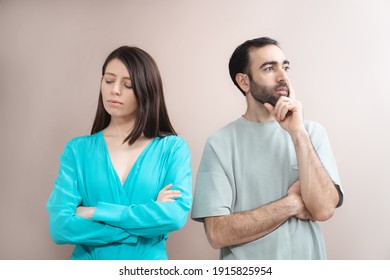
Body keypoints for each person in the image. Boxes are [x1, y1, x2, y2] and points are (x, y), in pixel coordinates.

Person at [191, 37, 344, 260]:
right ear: (244, 82)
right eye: (269, 68)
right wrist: (291, 204)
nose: (283, 77)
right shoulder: (219, 143)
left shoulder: (311, 133)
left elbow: (323, 210)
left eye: (285, 67)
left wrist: (298, 133)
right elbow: (217, 233)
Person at [46, 46, 192, 260]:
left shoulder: (172, 148)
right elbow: (60, 227)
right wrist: (146, 221)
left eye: (128, 85)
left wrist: (95, 212)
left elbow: (175, 216)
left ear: (146, 90)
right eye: (108, 80)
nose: (115, 90)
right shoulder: (77, 150)